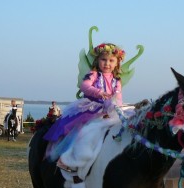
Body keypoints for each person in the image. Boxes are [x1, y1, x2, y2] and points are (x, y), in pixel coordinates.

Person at [43, 43, 125, 171]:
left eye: (111, 60)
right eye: (103, 59)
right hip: (92, 107)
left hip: (109, 109)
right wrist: (99, 92)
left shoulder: (117, 80)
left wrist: (115, 106)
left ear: (117, 63)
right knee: (81, 130)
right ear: (97, 60)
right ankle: (65, 159)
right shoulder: (93, 74)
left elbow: (118, 96)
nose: (107, 63)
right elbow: (84, 86)